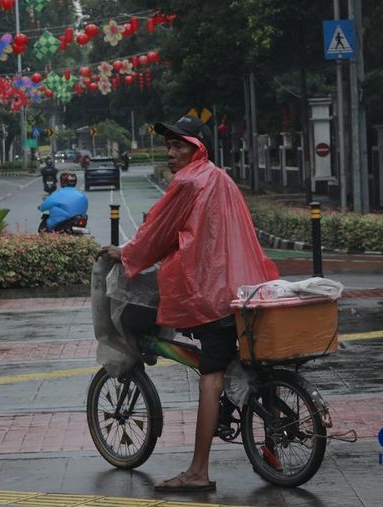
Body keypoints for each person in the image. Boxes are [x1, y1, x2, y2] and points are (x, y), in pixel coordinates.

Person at [96, 115, 278, 492]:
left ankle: (198, 472)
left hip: (209, 293)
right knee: (235, 361)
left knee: (211, 376)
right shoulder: (221, 178)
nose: (171, 152)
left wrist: (124, 254)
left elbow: (157, 233)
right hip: (243, 289)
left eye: (179, 145)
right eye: (169, 146)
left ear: (197, 148)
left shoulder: (188, 182)